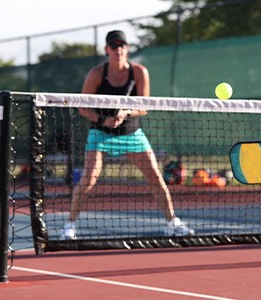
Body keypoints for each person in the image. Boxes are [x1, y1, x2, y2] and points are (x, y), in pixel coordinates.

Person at [61, 30, 194, 239]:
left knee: (156, 179)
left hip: (132, 133)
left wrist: (127, 112)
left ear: (127, 49)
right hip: (101, 134)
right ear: (107, 50)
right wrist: (101, 120)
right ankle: (69, 226)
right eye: (113, 46)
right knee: (88, 180)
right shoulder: (97, 74)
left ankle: (172, 222)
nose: (118, 49)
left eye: (122, 45)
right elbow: (82, 107)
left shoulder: (139, 72)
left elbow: (144, 107)